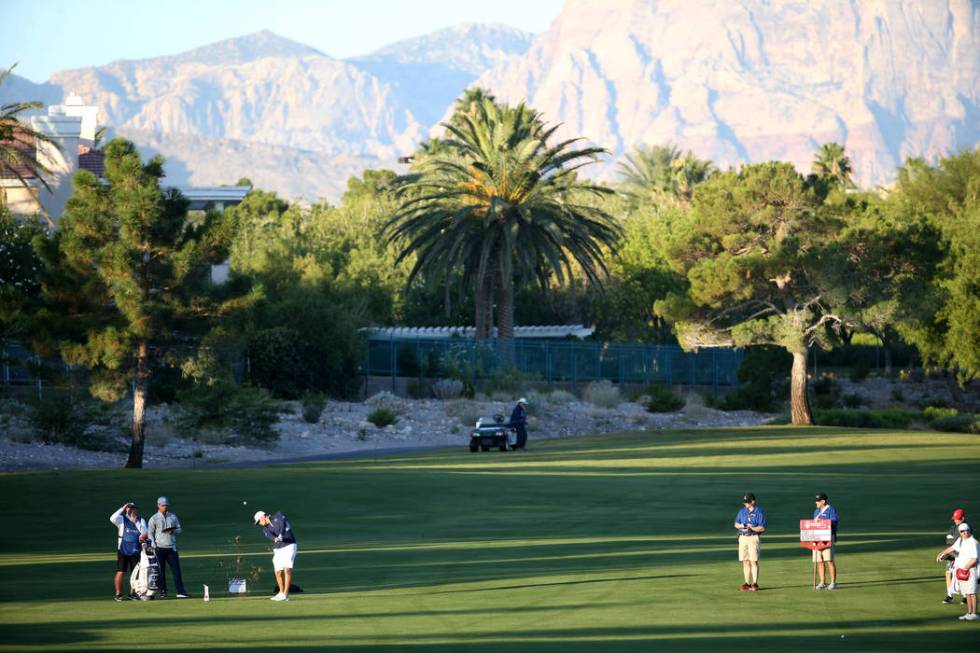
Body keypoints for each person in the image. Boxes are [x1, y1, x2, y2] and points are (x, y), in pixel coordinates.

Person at [146, 496, 189, 598]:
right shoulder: (154, 518)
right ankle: (163, 592)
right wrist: (153, 545)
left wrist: (173, 531)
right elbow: (150, 533)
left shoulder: (173, 516)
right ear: (158, 505)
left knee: (176, 571)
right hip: (159, 548)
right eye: (163, 505)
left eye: (166, 505)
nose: (165, 507)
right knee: (161, 572)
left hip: (171, 548)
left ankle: (180, 592)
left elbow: (179, 529)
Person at [936, 522, 979, 621]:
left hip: (971, 570)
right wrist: (941, 553)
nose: (964, 533)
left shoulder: (973, 542)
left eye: (966, 530)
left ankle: (975, 613)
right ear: (960, 532)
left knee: (972, 592)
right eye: (962, 531)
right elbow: (952, 548)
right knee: (967, 592)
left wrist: (965, 568)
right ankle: (969, 613)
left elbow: (974, 559)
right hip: (963, 571)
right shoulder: (960, 541)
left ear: (969, 531)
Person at [254, 510, 298, 601]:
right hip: (278, 549)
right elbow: (270, 536)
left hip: (289, 545)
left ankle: (285, 594)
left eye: (259, 521)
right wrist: (275, 538)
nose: (259, 523)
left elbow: (283, 525)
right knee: (278, 571)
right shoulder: (265, 529)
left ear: (263, 516)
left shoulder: (278, 515)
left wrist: (281, 534)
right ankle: (281, 593)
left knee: (287, 569)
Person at [109, 502, 146, 601]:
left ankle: (132, 593)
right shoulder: (121, 519)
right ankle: (118, 593)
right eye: (129, 508)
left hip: (136, 550)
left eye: (133, 508)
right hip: (123, 549)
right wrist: (122, 508)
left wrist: (136, 522)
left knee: (135, 573)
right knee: (121, 571)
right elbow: (112, 518)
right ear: (126, 509)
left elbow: (144, 533)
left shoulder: (140, 520)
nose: (132, 510)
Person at [734, 493, 767, 591]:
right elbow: (736, 524)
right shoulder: (742, 511)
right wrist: (743, 525)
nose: (746, 504)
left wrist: (752, 528)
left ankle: (755, 583)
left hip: (753, 537)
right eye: (745, 502)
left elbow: (762, 528)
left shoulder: (759, 512)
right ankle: (747, 583)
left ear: (753, 501)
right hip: (743, 537)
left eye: (747, 502)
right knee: (745, 561)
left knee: (754, 561)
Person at [813, 492, 839, 590]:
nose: (816, 502)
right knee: (819, 561)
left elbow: (834, 522)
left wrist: (822, 521)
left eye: (818, 501)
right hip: (817, 538)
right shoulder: (816, 511)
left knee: (829, 560)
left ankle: (833, 583)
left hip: (828, 538)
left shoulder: (831, 510)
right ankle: (822, 582)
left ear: (823, 501)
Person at [941, 508, 967, 604]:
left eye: (957, 518)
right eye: (955, 518)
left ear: (962, 518)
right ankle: (950, 596)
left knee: (963, 576)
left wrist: (954, 541)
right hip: (952, 555)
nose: (955, 520)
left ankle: (965, 597)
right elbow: (948, 540)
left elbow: (962, 542)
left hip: (962, 556)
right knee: (948, 573)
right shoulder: (953, 528)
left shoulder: (966, 528)